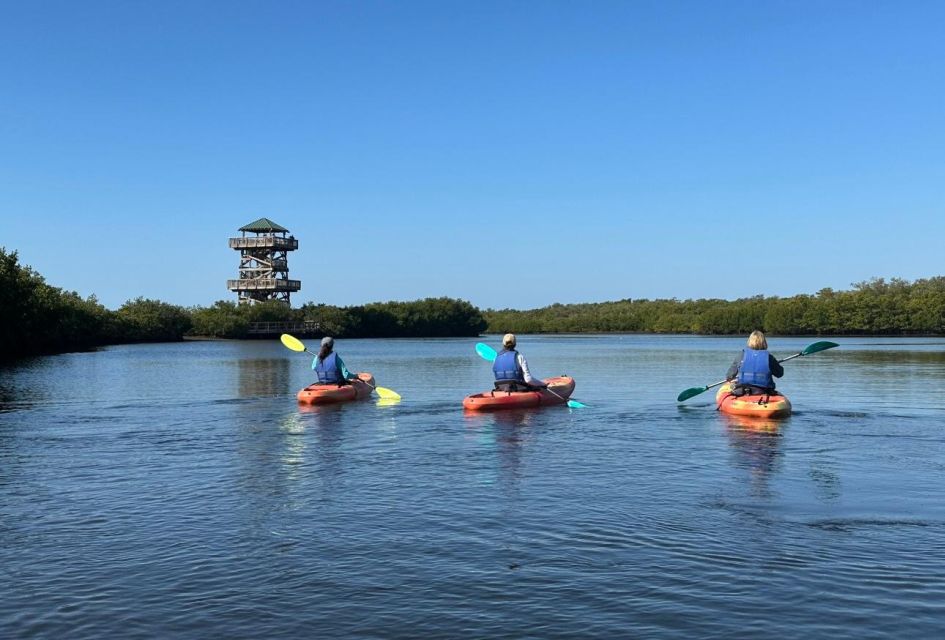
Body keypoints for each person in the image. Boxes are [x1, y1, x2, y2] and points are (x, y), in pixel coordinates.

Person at [726, 330, 784, 395]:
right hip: (764, 391)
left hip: (743, 390)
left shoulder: (741, 355)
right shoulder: (769, 357)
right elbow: (780, 374)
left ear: (749, 341)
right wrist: (775, 364)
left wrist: (735, 379)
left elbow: (729, 376)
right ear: (764, 342)